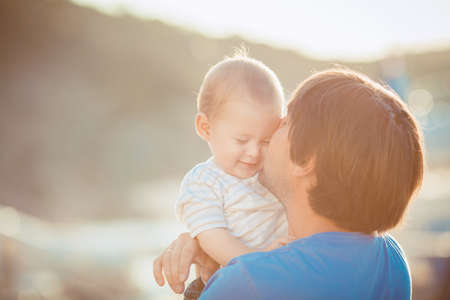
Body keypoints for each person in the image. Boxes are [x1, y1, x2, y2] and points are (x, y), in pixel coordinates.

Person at [154, 68, 424, 299]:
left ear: (305, 160)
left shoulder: (248, 281)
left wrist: (205, 284)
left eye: (287, 122)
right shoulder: (392, 261)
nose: (275, 126)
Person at [175, 54, 290, 299]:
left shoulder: (270, 172)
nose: (254, 152)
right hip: (227, 284)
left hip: (273, 281)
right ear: (206, 128)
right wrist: (259, 264)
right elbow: (213, 238)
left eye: (266, 140)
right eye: (242, 140)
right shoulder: (204, 182)